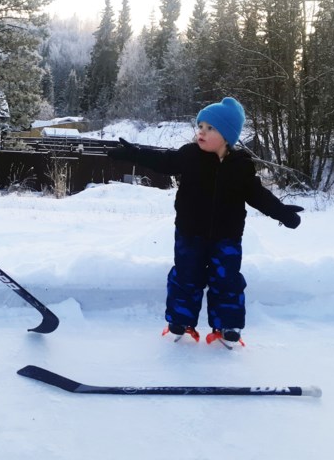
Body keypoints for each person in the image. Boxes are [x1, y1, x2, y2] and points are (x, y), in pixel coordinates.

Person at [108, 97, 304, 350]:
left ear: (226, 135)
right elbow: (162, 161)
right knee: (186, 276)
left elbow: (257, 195)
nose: (201, 131)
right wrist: (133, 153)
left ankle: (228, 326)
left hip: (227, 236)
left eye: (210, 128)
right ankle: (180, 321)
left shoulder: (241, 166)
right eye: (200, 126)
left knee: (227, 280)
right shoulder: (189, 156)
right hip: (190, 233)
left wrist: (281, 213)